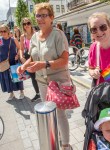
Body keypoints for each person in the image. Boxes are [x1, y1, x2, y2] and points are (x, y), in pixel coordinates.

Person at [17, 2, 72, 150]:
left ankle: (66, 145)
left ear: (52, 18)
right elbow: (33, 57)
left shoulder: (58, 35)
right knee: (49, 113)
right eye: (38, 15)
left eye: (44, 15)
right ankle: (55, 139)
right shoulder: (34, 37)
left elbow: (64, 60)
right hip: (42, 82)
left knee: (60, 114)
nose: (40, 18)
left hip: (58, 82)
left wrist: (44, 64)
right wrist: (24, 66)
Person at [0, 24, 24, 100]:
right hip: (4, 63)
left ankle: (21, 92)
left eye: (4, 31)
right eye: (1, 31)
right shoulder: (0, 40)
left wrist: (17, 55)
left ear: (7, 31)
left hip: (14, 61)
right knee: (7, 78)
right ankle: (11, 93)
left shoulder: (13, 39)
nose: (3, 33)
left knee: (17, 77)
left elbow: (20, 48)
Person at [19, 18, 40, 102]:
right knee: (33, 77)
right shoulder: (22, 37)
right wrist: (21, 57)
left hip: (37, 57)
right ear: (23, 26)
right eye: (24, 24)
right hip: (27, 59)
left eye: (28, 23)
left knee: (41, 76)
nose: (26, 25)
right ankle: (38, 94)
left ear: (31, 24)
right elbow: (21, 48)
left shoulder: (36, 34)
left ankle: (46, 93)